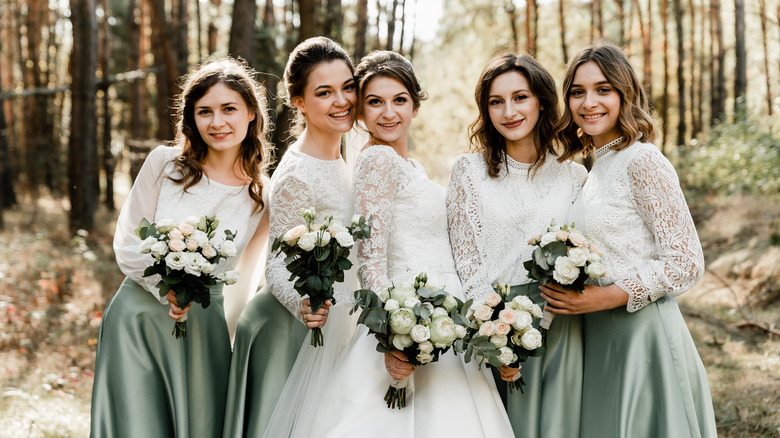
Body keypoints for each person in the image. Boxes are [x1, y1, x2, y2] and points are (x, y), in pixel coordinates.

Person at [266, 50, 513, 437]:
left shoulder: (408, 166)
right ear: (360, 114)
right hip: (408, 317)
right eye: (374, 102)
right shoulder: (376, 161)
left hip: (442, 315)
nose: (389, 113)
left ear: (415, 105)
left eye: (399, 100)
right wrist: (395, 337)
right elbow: (371, 260)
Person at [541, 42, 717, 437]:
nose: (589, 102)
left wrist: (608, 296)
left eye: (603, 89)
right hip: (600, 336)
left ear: (626, 94)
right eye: (577, 92)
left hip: (644, 337)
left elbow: (687, 261)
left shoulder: (643, 160)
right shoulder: (595, 169)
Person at [90, 57, 272, 437]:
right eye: (204, 111)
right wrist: (165, 287)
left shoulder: (261, 195)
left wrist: (230, 339)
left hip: (205, 329)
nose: (216, 122)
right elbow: (127, 240)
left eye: (228, 109)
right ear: (192, 117)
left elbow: (246, 277)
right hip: (138, 317)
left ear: (251, 113)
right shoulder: (165, 164)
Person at [446, 53, 587, 437]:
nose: (509, 111)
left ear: (541, 100)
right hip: (497, 324)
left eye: (520, 97)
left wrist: (550, 316)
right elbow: (468, 265)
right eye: (496, 101)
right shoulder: (468, 172)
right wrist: (498, 338)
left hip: (564, 323)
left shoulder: (573, 174)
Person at [223, 36, 358, 438]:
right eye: (324, 92)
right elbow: (277, 262)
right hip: (288, 327)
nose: (342, 101)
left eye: (347, 87)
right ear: (298, 102)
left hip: (326, 321)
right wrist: (304, 305)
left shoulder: (339, 157)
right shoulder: (297, 174)